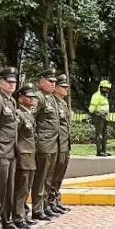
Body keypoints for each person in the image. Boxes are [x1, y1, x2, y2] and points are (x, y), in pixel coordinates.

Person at [0, 67, 19, 229]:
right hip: (1, 150)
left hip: (11, 150)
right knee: (0, 187)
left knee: (9, 187)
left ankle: (6, 219)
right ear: (1, 83)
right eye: (9, 82)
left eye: (14, 82)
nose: (12, 84)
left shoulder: (11, 101)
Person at [31, 70, 60, 220]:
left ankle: (46, 205)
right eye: (50, 81)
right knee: (41, 177)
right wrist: (37, 138)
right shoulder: (39, 97)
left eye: (54, 81)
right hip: (44, 143)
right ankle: (37, 208)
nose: (53, 83)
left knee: (49, 177)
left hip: (53, 143)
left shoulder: (51, 98)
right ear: (41, 82)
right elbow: (30, 118)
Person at [13, 83, 40, 228]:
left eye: (33, 97)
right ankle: (18, 216)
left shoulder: (28, 115)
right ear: (21, 98)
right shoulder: (19, 114)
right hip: (23, 155)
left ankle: (23, 211)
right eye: (28, 97)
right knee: (21, 187)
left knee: (27, 186)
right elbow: (15, 135)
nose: (32, 100)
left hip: (30, 155)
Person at [47, 76, 72, 214]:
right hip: (55, 144)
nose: (66, 89)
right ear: (56, 88)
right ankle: (49, 202)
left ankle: (55, 199)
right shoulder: (53, 103)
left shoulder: (62, 103)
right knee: (52, 175)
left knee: (59, 175)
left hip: (64, 143)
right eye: (63, 87)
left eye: (67, 87)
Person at [89, 80, 112, 157]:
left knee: (105, 134)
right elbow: (92, 107)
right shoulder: (96, 96)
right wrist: (92, 115)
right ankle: (99, 151)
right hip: (98, 116)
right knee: (99, 134)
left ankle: (104, 150)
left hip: (105, 117)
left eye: (108, 88)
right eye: (105, 88)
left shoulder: (104, 96)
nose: (106, 90)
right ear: (101, 87)